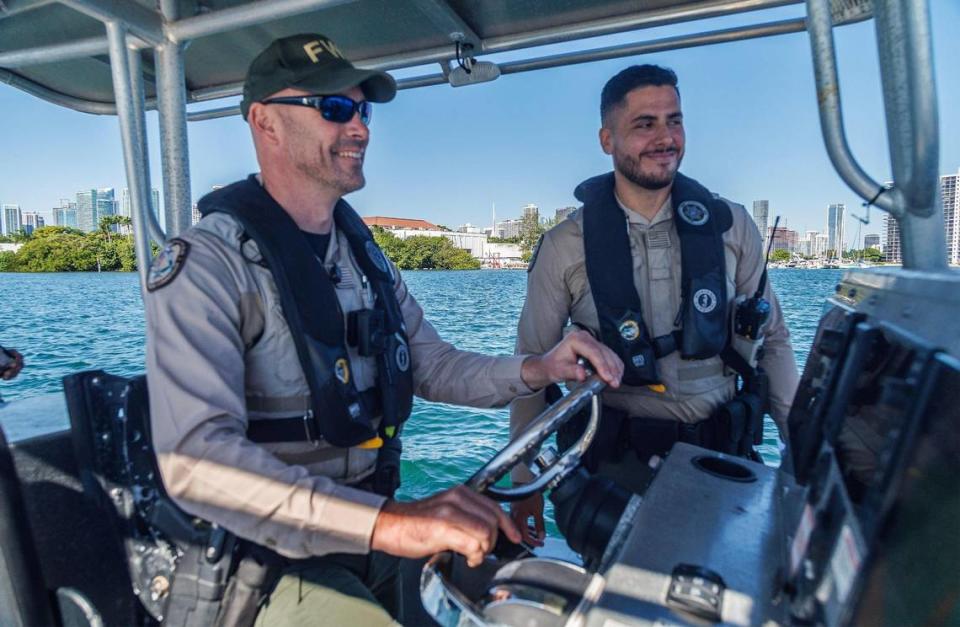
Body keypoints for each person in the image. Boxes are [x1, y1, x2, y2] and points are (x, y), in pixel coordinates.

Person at [144, 33, 622, 626]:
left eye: (362, 110)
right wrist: (392, 524)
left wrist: (539, 368)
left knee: (525, 590)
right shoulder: (208, 267)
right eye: (334, 109)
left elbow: (435, 366)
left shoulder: (365, 260)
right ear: (265, 123)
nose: (361, 128)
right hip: (263, 564)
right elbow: (195, 461)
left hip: (371, 529)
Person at [509, 64, 799, 546]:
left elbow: (776, 341)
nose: (665, 138)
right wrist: (525, 482)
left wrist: (802, 448)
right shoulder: (565, 245)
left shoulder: (734, 225)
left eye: (674, 121)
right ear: (607, 139)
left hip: (726, 460)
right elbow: (531, 365)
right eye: (645, 124)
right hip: (615, 469)